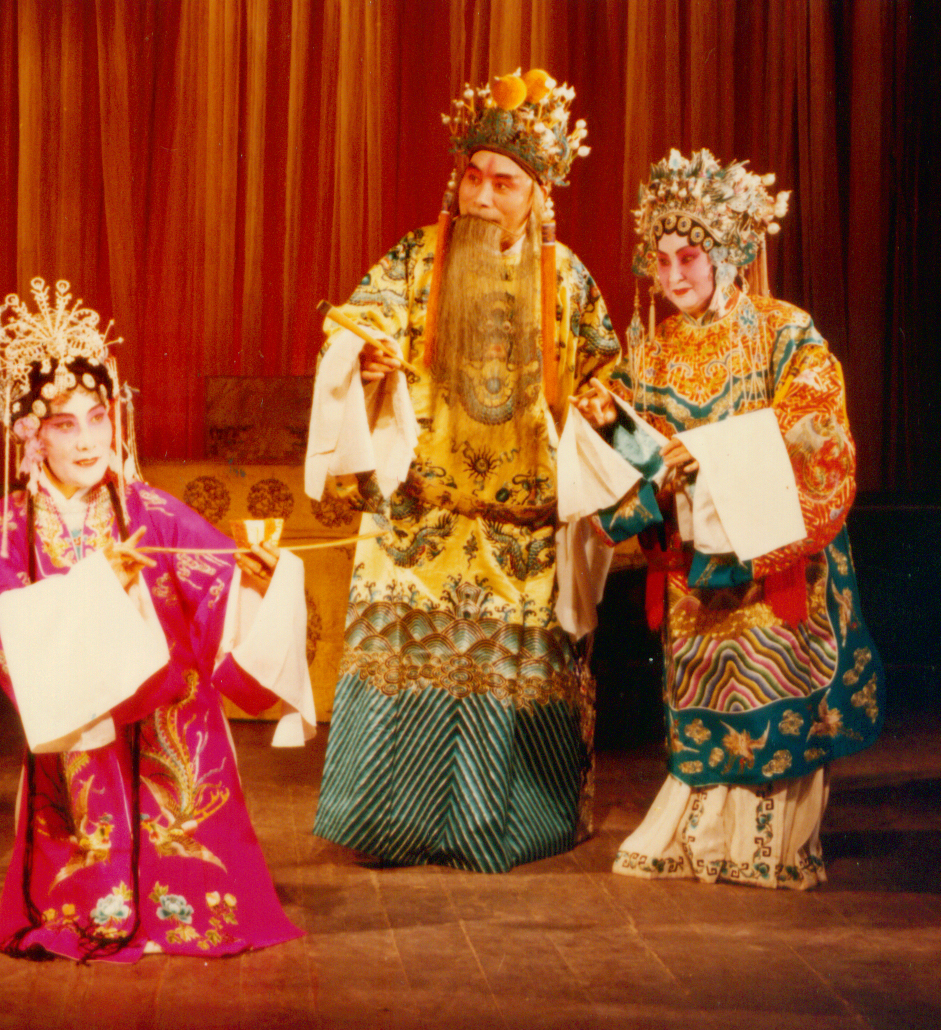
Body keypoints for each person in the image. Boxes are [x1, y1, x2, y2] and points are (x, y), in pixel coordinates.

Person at [306, 70, 619, 872]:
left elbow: (603, 372)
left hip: (523, 534)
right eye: (472, 176)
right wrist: (364, 355)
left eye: (503, 183)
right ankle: (392, 828)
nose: (481, 196)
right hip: (422, 519)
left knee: (509, 687)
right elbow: (357, 320)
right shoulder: (417, 258)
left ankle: (499, 832)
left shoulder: (568, 280)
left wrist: (599, 400)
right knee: (404, 671)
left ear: (538, 194)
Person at [0, 278, 315, 961]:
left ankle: (179, 906)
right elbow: (2, 626)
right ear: (30, 435)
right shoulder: (5, 527)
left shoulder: (150, 510)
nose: (87, 440)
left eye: (98, 418)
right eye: (64, 425)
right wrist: (98, 586)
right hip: (82, 730)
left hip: (166, 718)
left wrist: (260, 577)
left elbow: (219, 584)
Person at [575, 149, 883, 889]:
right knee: (704, 697)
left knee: (776, 692)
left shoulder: (784, 331)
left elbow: (815, 420)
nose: (674, 277)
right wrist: (613, 427)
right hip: (695, 567)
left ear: (727, 255)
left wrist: (710, 455)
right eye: (661, 261)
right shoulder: (650, 350)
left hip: (772, 560)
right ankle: (702, 837)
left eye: (689, 258)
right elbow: (632, 446)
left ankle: (773, 843)